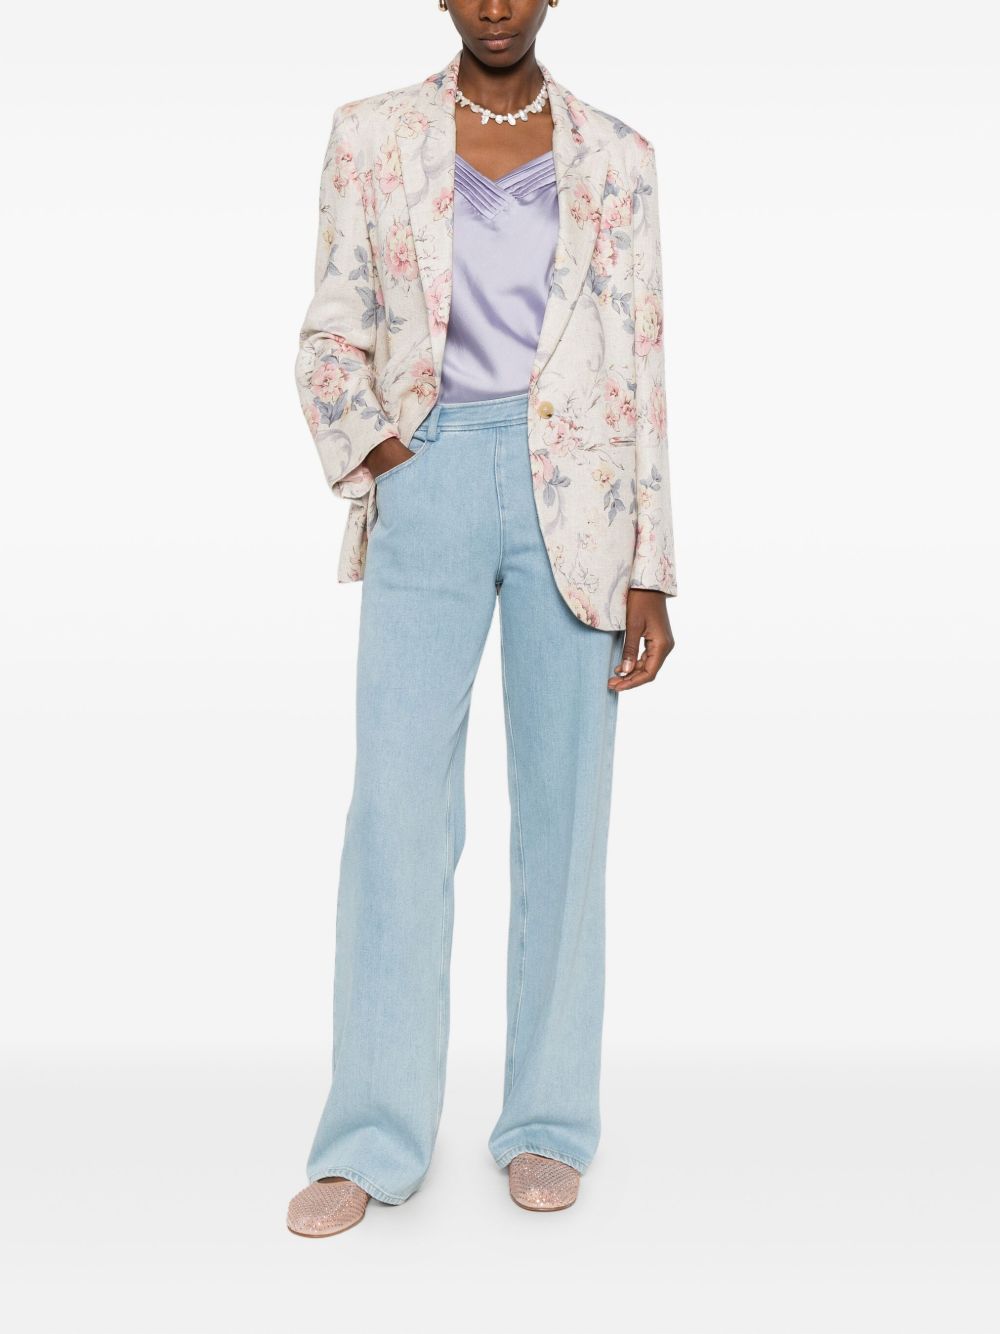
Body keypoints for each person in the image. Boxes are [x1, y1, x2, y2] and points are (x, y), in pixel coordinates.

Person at [286, 0, 676, 1238]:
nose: (495, 4)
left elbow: (640, 368)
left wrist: (651, 567)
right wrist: (389, 457)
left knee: (565, 816)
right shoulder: (371, 135)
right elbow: (328, 337)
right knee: (396, 812)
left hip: (581, 499)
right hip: (431, 474)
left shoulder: (618, 155)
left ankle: (548, 1120)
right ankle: (371, 1134)